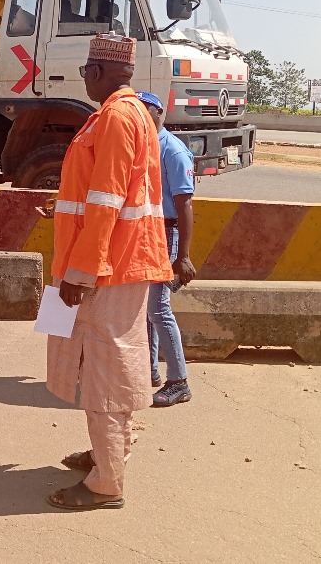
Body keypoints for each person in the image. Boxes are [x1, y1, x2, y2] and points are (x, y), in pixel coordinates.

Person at [44, 33, 172, 511]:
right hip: (115, 261)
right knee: (101, 362)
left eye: (84, 74)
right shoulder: (131, 112)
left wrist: (81, 271)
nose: (84, 81)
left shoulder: (117, 117)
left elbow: (106, 201)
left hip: (107, 267)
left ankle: (106, 482)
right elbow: (94, 197)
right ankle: (108, 453)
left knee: (104, 368)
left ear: (96, 72)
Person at [137, 91, 197, 407]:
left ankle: (179, 382)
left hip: (165, 233)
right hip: (148, 233)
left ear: (159, 112)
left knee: (159, 308)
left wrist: (182, 256)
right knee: (148, 308)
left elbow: (184, 204)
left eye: (144, 110)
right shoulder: (143, 146)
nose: (139, 117)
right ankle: (150, 370)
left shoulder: (172, 151)